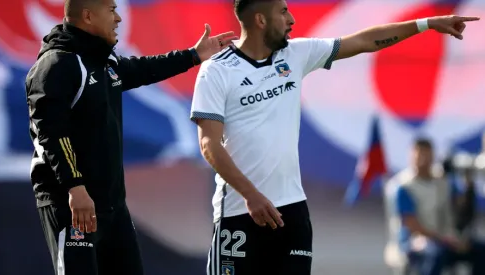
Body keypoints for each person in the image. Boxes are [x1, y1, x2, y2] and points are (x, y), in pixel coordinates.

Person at [189, 0, 480, 274]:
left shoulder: (296, 54)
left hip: (291, 211)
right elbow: (209, 145)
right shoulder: (216, 71)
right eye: (283, 11)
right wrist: (251, 195)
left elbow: (363, 41)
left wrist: (426, 24)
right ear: (261, 19)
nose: (291, 19)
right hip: (240, 213)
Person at [24, 0, 237, 274]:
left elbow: (144, 69)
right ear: (88, 16)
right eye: (112, 10)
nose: (119, 18)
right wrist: (75, 188)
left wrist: (194, 55)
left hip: (112, 205)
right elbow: (49, 133)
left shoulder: (104, 61)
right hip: (73, 203)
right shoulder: (57, 64)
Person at [392, 138, 485, 275]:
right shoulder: (404, 186)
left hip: (447, 239)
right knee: (436, 254)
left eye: (427, 154)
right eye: (419, 155)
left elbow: (461, 211)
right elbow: (412, 226)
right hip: (417, 242)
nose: (423, 159)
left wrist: (468, 185)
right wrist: (444, 240)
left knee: (481, 251)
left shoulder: (444, 182)